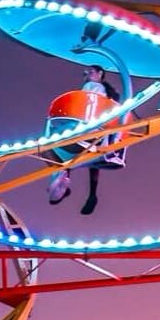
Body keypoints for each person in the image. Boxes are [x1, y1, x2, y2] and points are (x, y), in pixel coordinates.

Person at [48, 66, 122, 214]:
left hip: (86, 130)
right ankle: (91, 193)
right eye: (85, 74)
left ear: (100, 73)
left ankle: (63, 177)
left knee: (52, 146)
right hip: (102, 137)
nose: (87, 75)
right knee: (91, 158)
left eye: (90, 72)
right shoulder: (110, 96)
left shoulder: (90, 87)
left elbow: (84, 107)